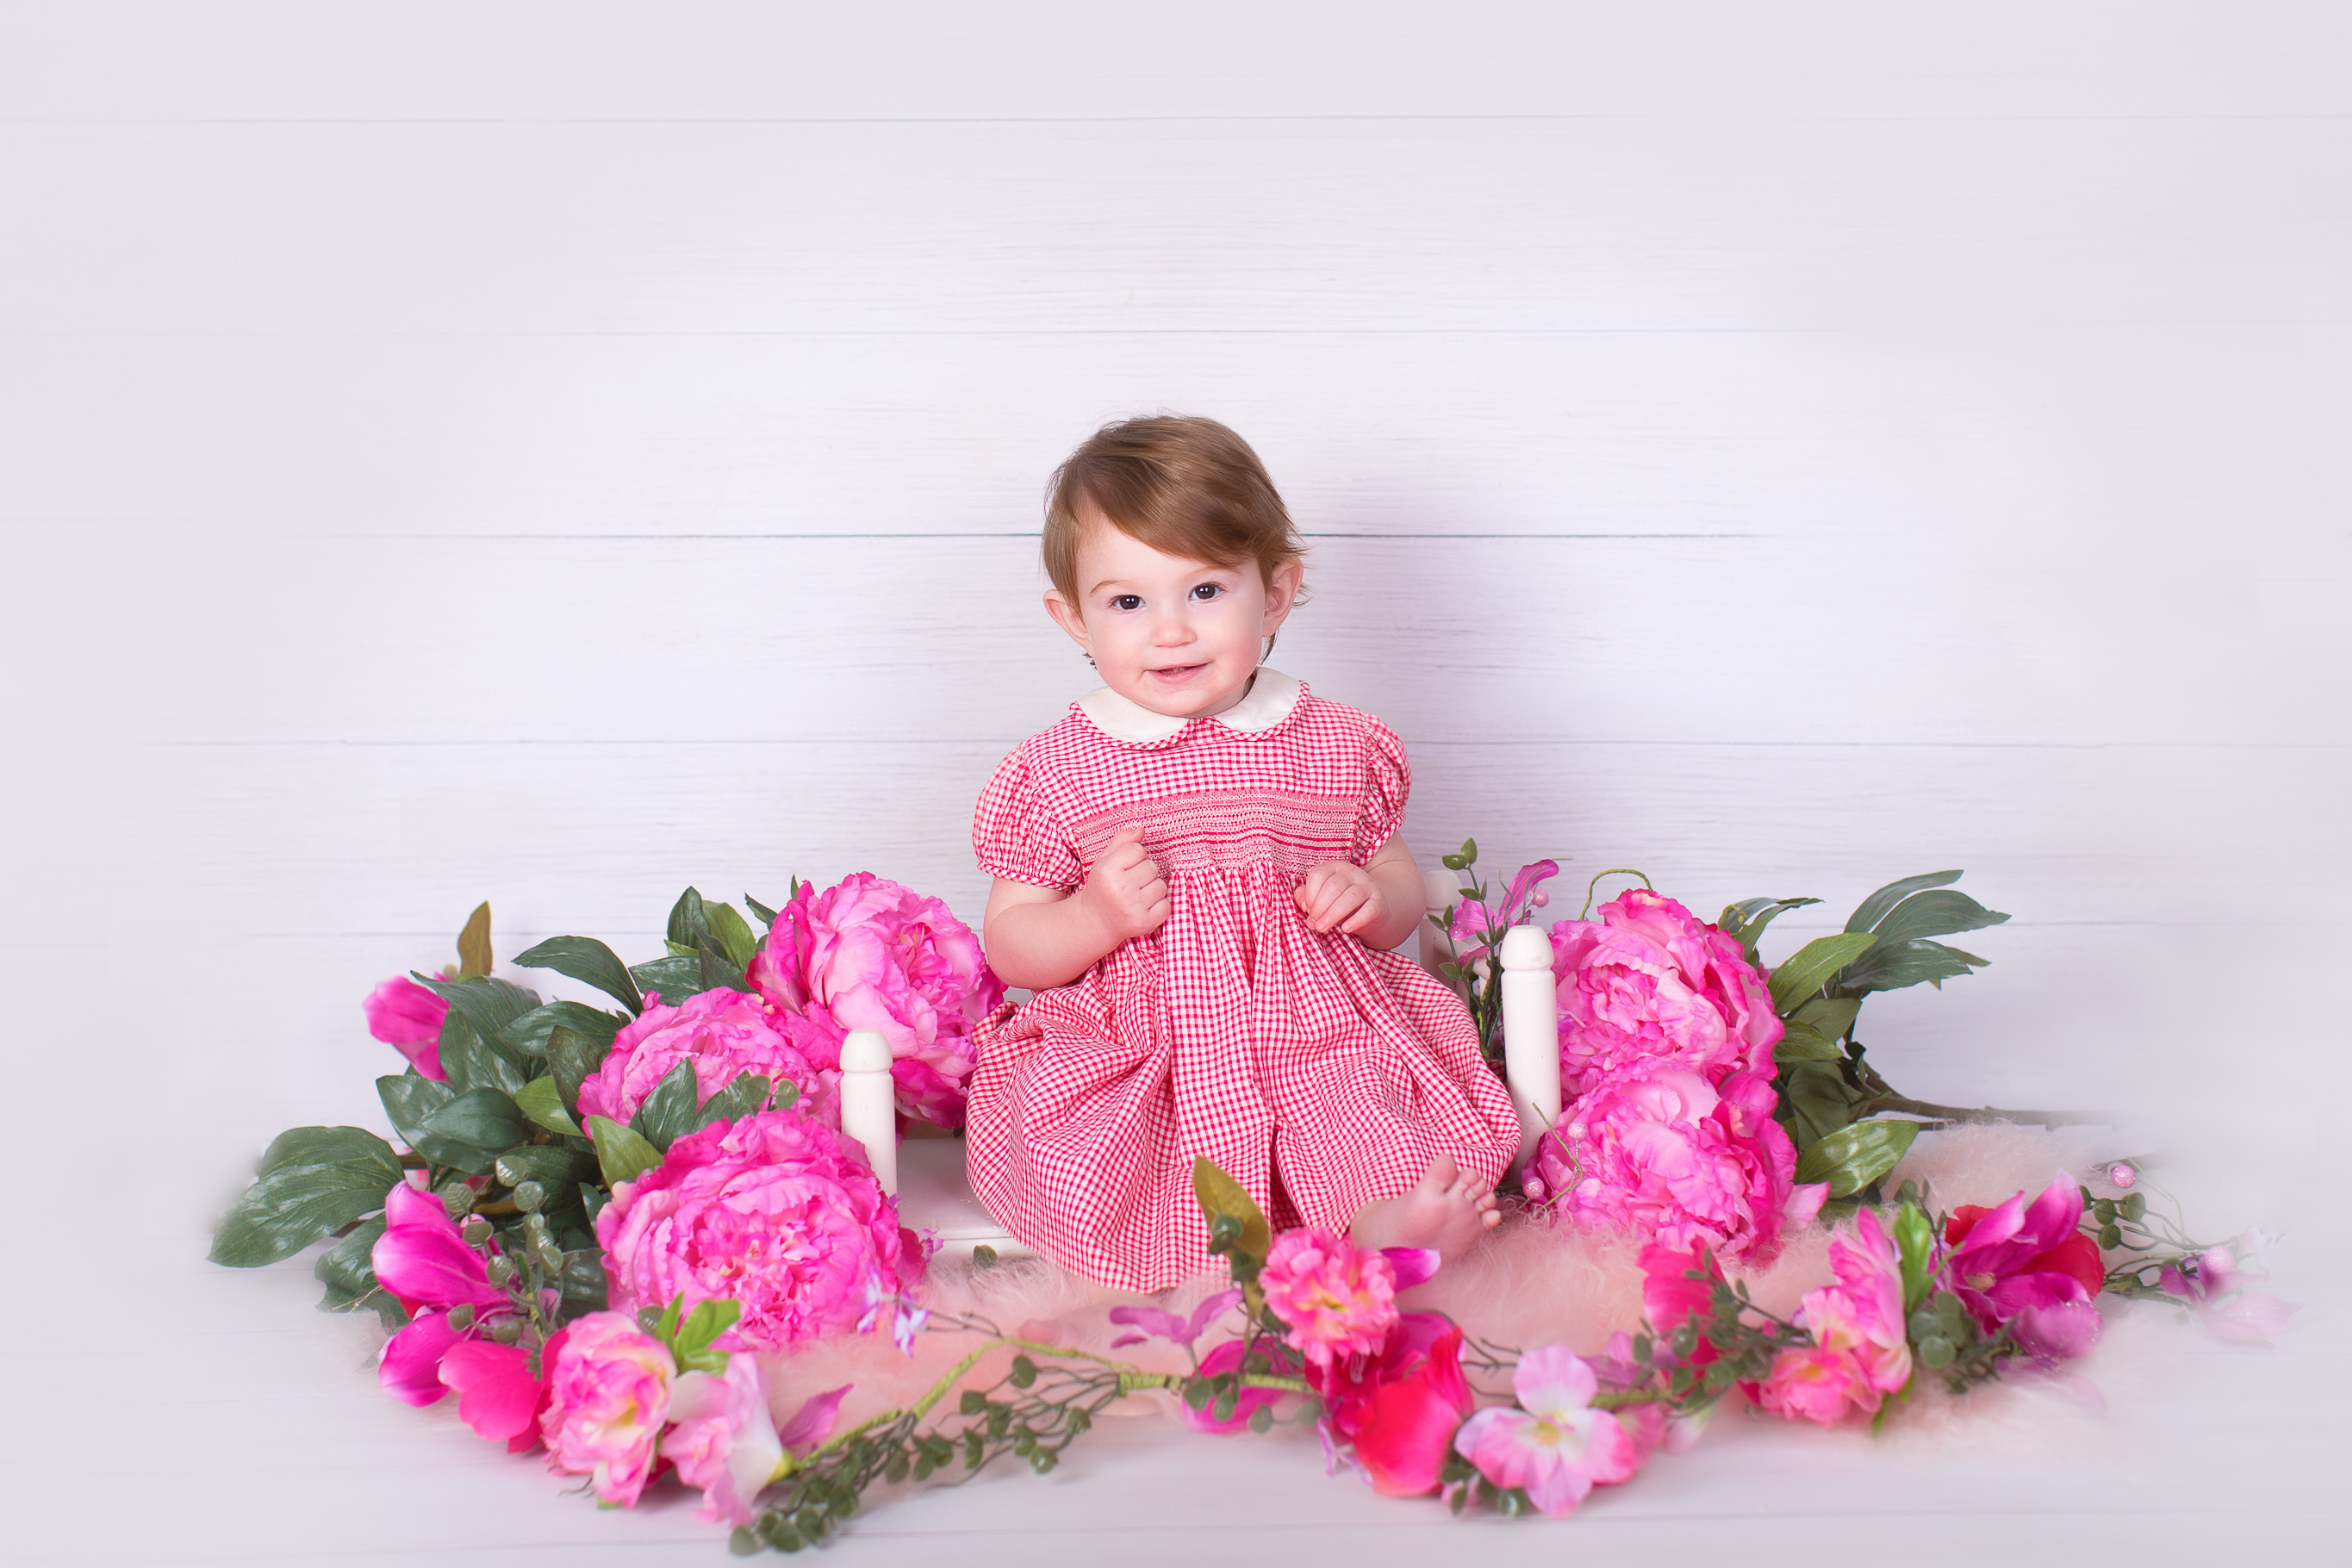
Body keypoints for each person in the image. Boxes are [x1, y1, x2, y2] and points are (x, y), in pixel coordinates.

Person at [965, 416, 1521, 1292]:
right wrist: (1092, 915)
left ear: (1275, 593)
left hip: (1317, 1016)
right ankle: (1183, 1257)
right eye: (1128, 602)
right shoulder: (1059, 768)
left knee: (1358, 1096)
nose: (1172, 632)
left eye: (1206, 591)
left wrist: (1369, 893)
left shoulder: (1334, 742)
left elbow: (1401, 881)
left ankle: (1383, 1223)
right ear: (1072, 616)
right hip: (1149, 1038)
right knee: (1099, 1130)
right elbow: (1011, 939)